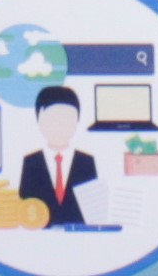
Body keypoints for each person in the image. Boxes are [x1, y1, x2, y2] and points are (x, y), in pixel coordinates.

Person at [16, 84, 98, 227]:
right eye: (52, 118)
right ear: (39, 120)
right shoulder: (31, 162)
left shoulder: (86, 162)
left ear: (77, 121)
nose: (60, 125)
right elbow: (24, 208)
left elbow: (94, 211)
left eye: (68, 118)